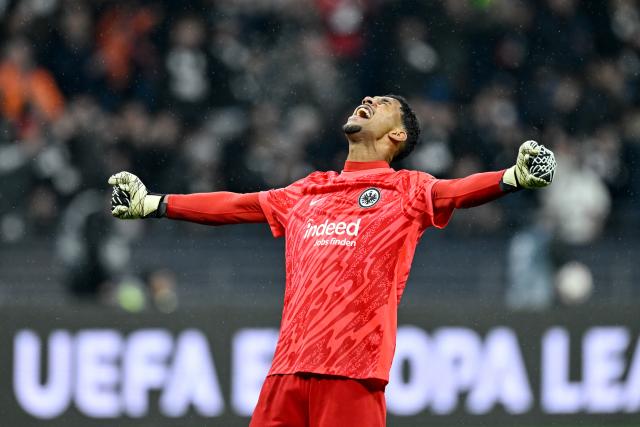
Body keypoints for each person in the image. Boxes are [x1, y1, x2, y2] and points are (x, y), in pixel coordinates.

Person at [108, 95, 556, 427]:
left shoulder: (408, 190)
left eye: (381, 105)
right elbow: (234, 206)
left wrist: (513, 178)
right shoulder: (308, 189)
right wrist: (153, 204)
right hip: (286, 370)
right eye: (368, 98)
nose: (368, 101)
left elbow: (456, 191)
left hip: (351, 372)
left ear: (396, 135)